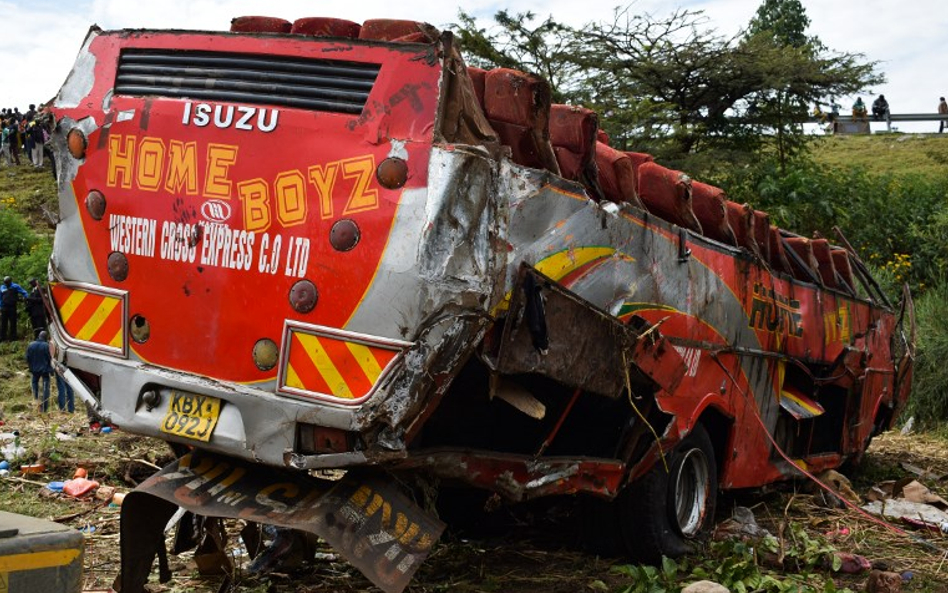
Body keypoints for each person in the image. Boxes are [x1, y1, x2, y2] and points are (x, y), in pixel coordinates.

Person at [26, 331, 53, 413]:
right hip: (44, 370)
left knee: (35, 386)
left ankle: (36, 403)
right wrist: (51, 371)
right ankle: (44, 407)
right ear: (45, 338)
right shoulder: (46, 346)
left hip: (34, 370)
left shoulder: (31, 345)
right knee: (46, 388)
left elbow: (27, 358)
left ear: (38, 336)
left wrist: (31, 367)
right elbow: (49, 358)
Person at [0, 276, 29, 341]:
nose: (6, 284)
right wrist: (0, 306)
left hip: (12, 307)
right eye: (5, 283)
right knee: (3, 323)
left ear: (10, 281)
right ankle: (2, 338)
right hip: (4, 307)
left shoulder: (15, 286)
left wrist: (26, 297)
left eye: (7, 283)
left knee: (13, 322)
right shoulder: (2, 287)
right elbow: (0, 297)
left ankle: (13, 338)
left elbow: (24, 292)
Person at [49, 339, 74, 413]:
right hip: (69, 367)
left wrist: (54, 368)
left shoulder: (53, 342)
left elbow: (52, 358)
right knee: (70, 388)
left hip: (59, 367)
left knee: (61, 388)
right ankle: (71, 409)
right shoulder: (68, 341)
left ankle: (62, 409)